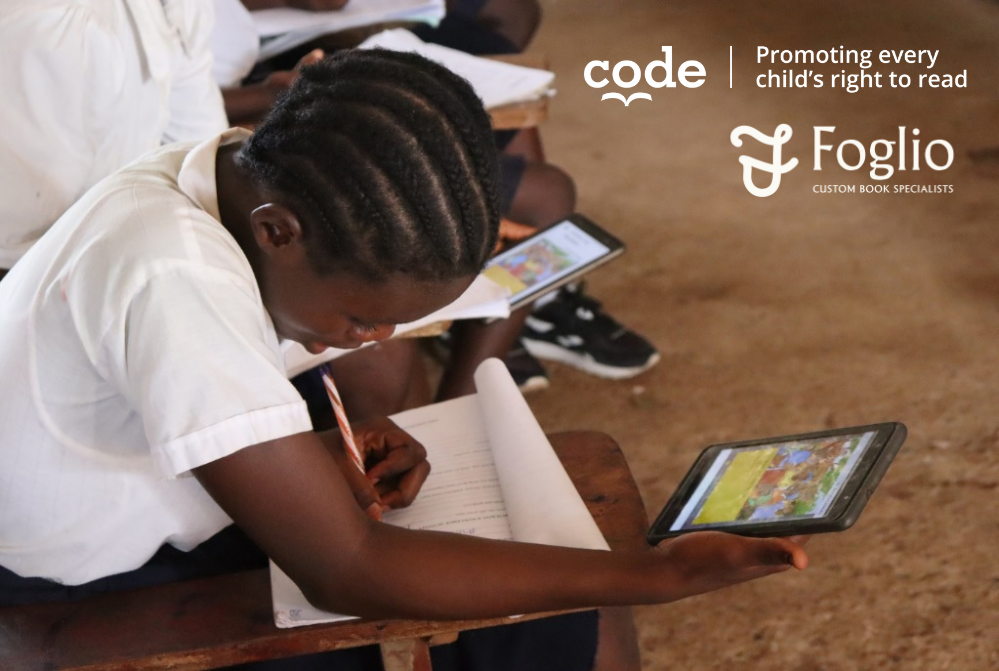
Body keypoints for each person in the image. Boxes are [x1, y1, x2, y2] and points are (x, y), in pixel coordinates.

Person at [0, 50, 807, 670]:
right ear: (280, 230)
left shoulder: (225, 170)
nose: (371, 341)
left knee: (551, 609)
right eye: (361, 315)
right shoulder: (173, 272)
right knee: (555, 607)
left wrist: (311, 452)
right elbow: (346, 570)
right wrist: (656, 575)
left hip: (145, 496)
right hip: (74, 575)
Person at [0, 0, 228, 280]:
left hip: (102, 258)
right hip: (45, 285)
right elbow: (11, 252)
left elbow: (204, 153)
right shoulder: (61, 28)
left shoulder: (174, 8)